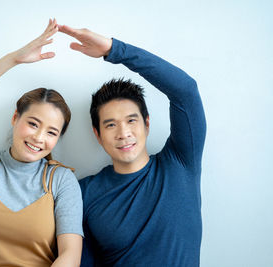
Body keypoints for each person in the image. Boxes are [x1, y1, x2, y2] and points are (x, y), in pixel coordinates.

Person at [58, 24, 207, 266]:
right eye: (110, 125)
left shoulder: (180, 162)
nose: (123, 133)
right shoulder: (83, 193)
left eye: (131, 120)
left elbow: (186, 91)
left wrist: (114, 50)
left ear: (147, 124)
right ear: (97, 134)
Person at [0, 19, 83, 267]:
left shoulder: (61, 180)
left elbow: (70, 256)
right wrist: (14, 59)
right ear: (15, 118)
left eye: (52, 132)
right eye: (33, 123)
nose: (39, 138)